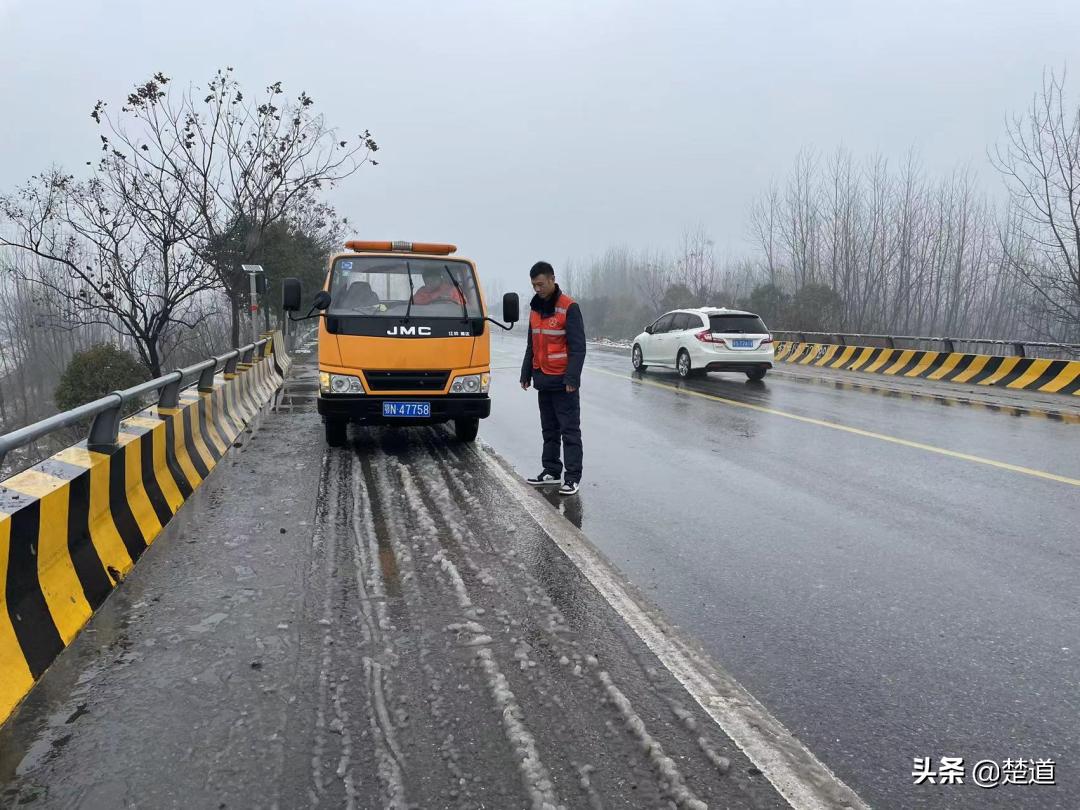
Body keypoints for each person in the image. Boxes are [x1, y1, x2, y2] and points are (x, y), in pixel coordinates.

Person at [520, 261, 586, 496]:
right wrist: (526, 372)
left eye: (540, 284)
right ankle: (551, 470)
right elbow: (532, 343)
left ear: (552, 279)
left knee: (569, 430)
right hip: (543, 379)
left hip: (563, 382)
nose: (537, 289)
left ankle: (572, 477)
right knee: (549, 430)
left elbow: (578, 348)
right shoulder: (535, 308)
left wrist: (572, 378)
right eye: (533, 285)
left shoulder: (569, 307)